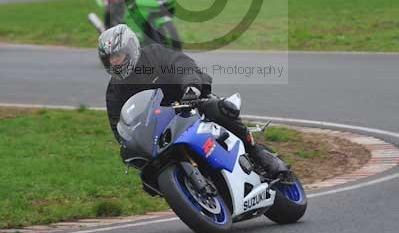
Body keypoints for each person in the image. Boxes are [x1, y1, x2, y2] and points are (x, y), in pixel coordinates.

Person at [98, 23, 289, 179]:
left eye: (117, 55)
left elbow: (182, 65)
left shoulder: (154, 55)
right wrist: (129, 143)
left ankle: (256, 151)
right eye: (109, 59)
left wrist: (190, 87)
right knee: (147, 176)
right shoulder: (114, 91)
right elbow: (119, 126)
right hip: (158, 132)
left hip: (187, 105)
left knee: (217, 109)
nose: (114, 62)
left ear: (130, 48)